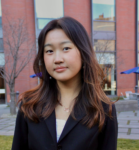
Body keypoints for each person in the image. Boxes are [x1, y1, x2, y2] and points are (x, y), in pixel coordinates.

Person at [12, 17, 118, 150]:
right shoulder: (29, 104)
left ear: (83, 51)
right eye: (49, 51)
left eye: (66, 48)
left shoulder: (104, 109)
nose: (57, 59)